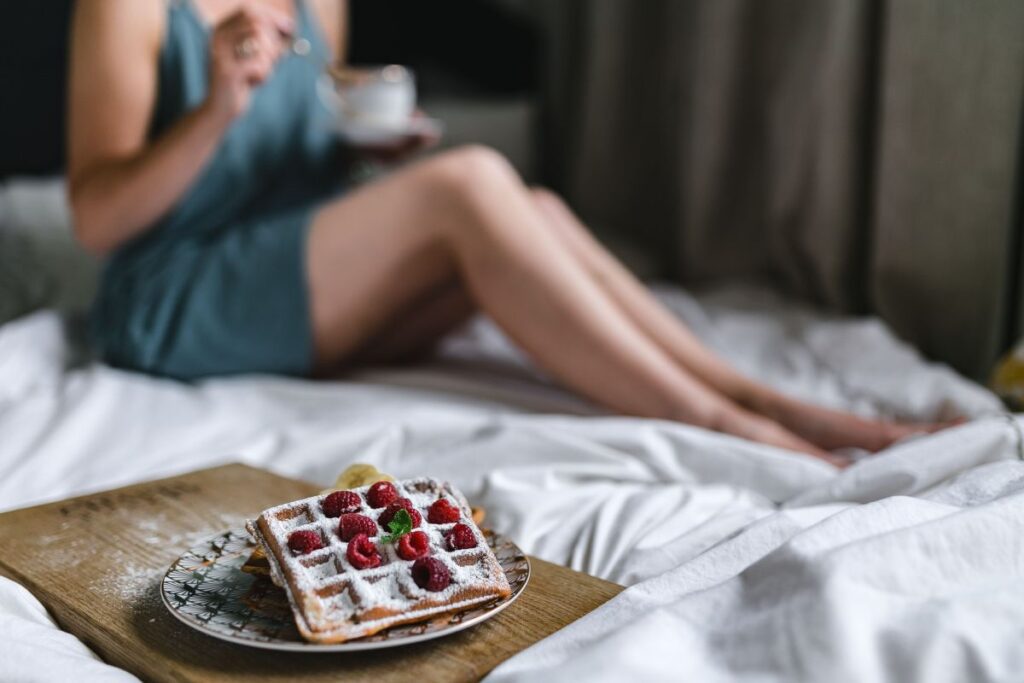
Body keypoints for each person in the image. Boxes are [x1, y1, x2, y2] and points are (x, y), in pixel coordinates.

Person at [67, 0, 947, 465]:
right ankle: (725, 422)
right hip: (172, 299)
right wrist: (217, 110)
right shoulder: (129, 5)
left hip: (295, 283)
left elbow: (308, 161)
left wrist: (371, 151)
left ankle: (764, 398)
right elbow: (97, 216)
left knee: (538, 215)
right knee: (473, 184)